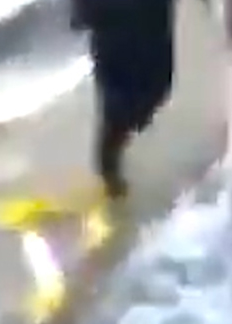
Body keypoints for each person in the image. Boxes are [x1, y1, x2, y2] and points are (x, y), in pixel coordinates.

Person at [72, 0, 177, 204]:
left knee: (153, 89)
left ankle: (111, 160)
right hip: (114, 26)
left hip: (148, 22)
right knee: (119, 105)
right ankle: (109, 170)